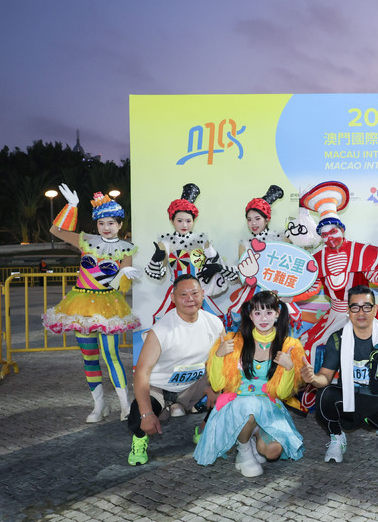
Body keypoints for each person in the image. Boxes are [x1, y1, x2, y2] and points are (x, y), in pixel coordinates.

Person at [294, 182, 378, 411]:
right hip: (336, 314)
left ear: (342, 229)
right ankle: (315, 392)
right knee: (310, 344)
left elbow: (374, 275)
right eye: (324, 234)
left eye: (333, 231)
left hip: (363, 312)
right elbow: (312, 288)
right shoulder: (317, 259)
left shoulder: (360, 252)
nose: (330, 237)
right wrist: (288, 297)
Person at [42, 184, 140, 422]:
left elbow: (122, 287)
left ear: (120, 225)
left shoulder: (126, 249)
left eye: (111, 223)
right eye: (101, 223)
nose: (106, 227)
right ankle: (99, 406)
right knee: (89, 356)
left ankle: (125, 406)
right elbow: (55, 230)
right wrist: (71, 207)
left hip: (108, 307)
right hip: (81, 306)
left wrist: (122, 276)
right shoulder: (85, 240)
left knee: (111, 356)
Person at [300, 285, 378, 463]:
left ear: (375, 310)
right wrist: (313, 378)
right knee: (324, 395)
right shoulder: (337, 339)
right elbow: (325, 377)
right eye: (355, 307)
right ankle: (337, 437)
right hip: (348, 398)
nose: (361, 312)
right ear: (348, 311)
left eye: (366, 307)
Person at [194, 291, 305, 477]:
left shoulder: (288, 346)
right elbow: (218, 384)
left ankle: (252, 436)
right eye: (258, 313)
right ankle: (244, 448)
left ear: (277, 314)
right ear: (251, 315)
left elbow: (282, 393)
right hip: (237, 406)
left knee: (273, 451)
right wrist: (219, 356)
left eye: (269, 312)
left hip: (268, 408)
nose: (263, 318)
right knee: (249, 406)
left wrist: (289, 368)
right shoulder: (233, 342)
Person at [127, 274, 225, 465]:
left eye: (194, 293)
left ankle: (203, 430)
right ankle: (139, 439)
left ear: (203, 294)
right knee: (138, 417)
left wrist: (216, 387)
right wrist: (147, 414)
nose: (190, 299)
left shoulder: (214, 323)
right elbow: (142, 373)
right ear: (173, 298)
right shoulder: (161, 330)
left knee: (232, 393)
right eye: (183, 294)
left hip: (194, 385)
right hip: (160, 388)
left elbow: (223, 360)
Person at [145, 183, 237, 325]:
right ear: (171, 220)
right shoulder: (166, 242)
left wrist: (216, 267)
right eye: (179, 220)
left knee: (207, 325)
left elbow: (217, 263)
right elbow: (158, 274)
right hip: (178, 293)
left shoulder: (202, 240)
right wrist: (155, 260)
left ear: (194, 221)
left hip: (199, 293)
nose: (184, 225)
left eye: (188, 221)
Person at [225, 185, 292, 331]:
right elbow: (244, 272)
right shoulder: (244, 243)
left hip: (277, 290)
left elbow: (291, 264)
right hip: (253, 291)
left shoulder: (282, 237)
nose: (253, 223)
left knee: (279, 330)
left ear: (267, 219)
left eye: (257, 218)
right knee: (251, 330)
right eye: (249, 219)